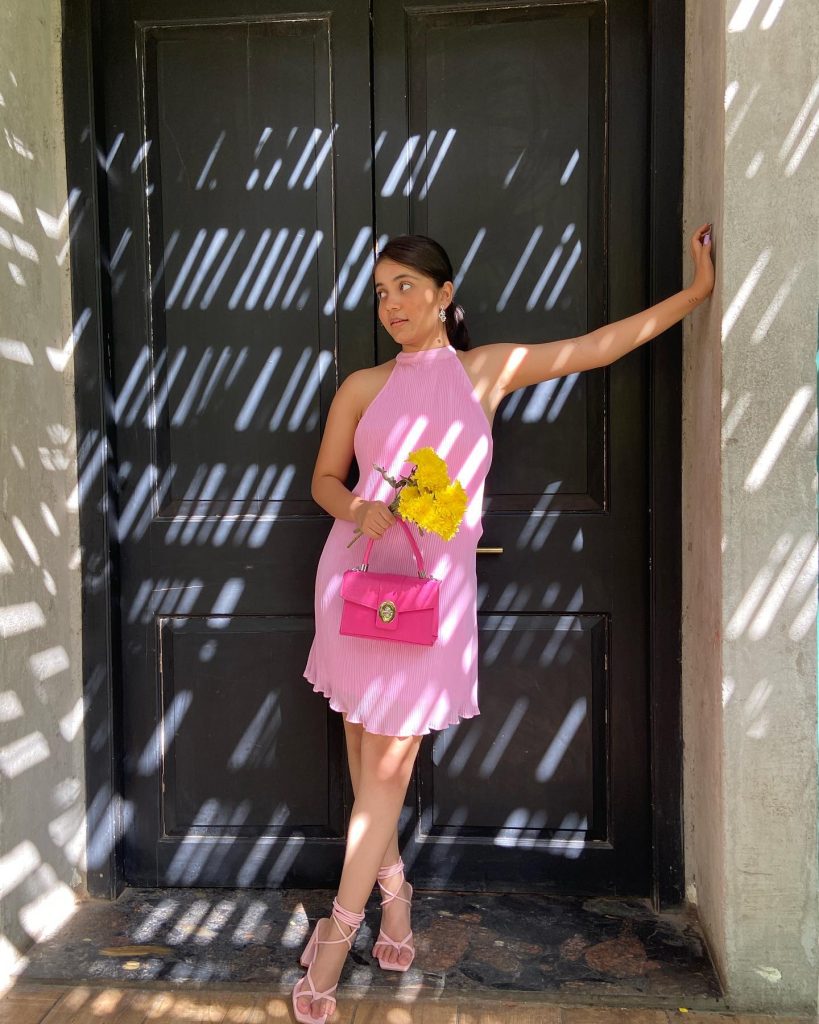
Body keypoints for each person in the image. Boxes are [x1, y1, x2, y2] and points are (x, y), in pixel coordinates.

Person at [293, 225, 715, 1022]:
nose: (391, 303)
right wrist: (356, 504)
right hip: (352, 581)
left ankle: (334, 939)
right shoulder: (360, 384)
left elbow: (593, 347)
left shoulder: (482, 373)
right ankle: (394, 899)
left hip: (428, 601)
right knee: (363, 757)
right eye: (380, 291)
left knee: (385, 771)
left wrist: (694, 294)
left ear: (446, 296)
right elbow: (322, 477)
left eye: (406, 286)